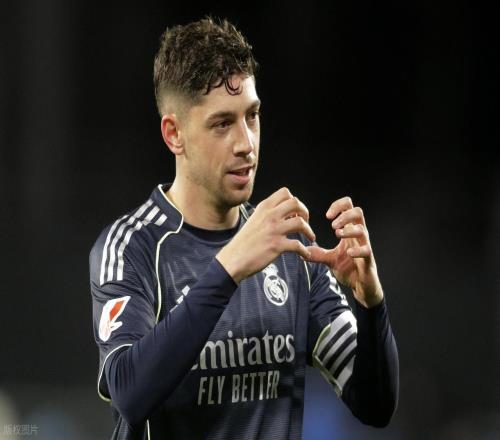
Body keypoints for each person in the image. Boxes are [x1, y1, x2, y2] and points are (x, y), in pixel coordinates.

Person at [89, 17, 399, 440]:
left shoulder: (290, 248)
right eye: (222, 123)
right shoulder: (133, 247)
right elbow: (129, 393)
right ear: (174, 134)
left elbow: (375, 405)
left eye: (251, 116)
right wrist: (228, 267)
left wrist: (371, 304)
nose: (246, 143)